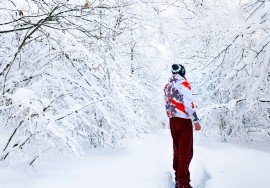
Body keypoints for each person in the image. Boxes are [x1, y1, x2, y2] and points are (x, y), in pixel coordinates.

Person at [164, 64, 201, 188]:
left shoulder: (167, 86)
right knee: (186, 152)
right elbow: (188, 104)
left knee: (177, 149)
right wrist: (195, 120)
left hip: (172, 120)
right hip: (183, 121)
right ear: (182, 72)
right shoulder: (183, 84)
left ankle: (178, 178)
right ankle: (183, 183)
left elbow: (167, 103)